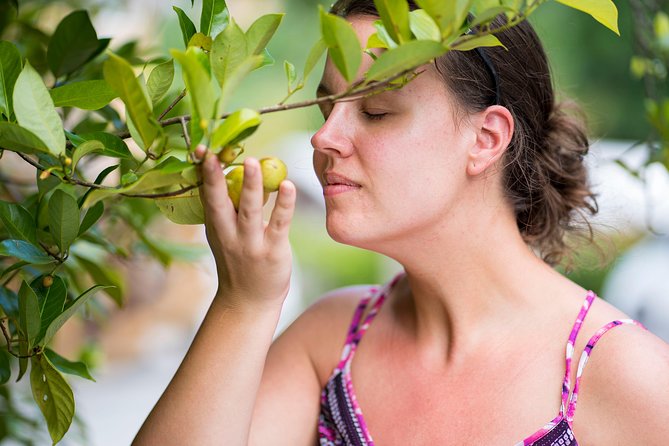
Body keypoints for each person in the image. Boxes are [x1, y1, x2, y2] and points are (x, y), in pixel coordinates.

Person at [133, 1, 669, 444]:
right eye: (327, 109)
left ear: (485, 139)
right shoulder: (330, 343)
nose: (324, 138)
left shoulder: (627, 377)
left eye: (377, 111)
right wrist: (243, 303)